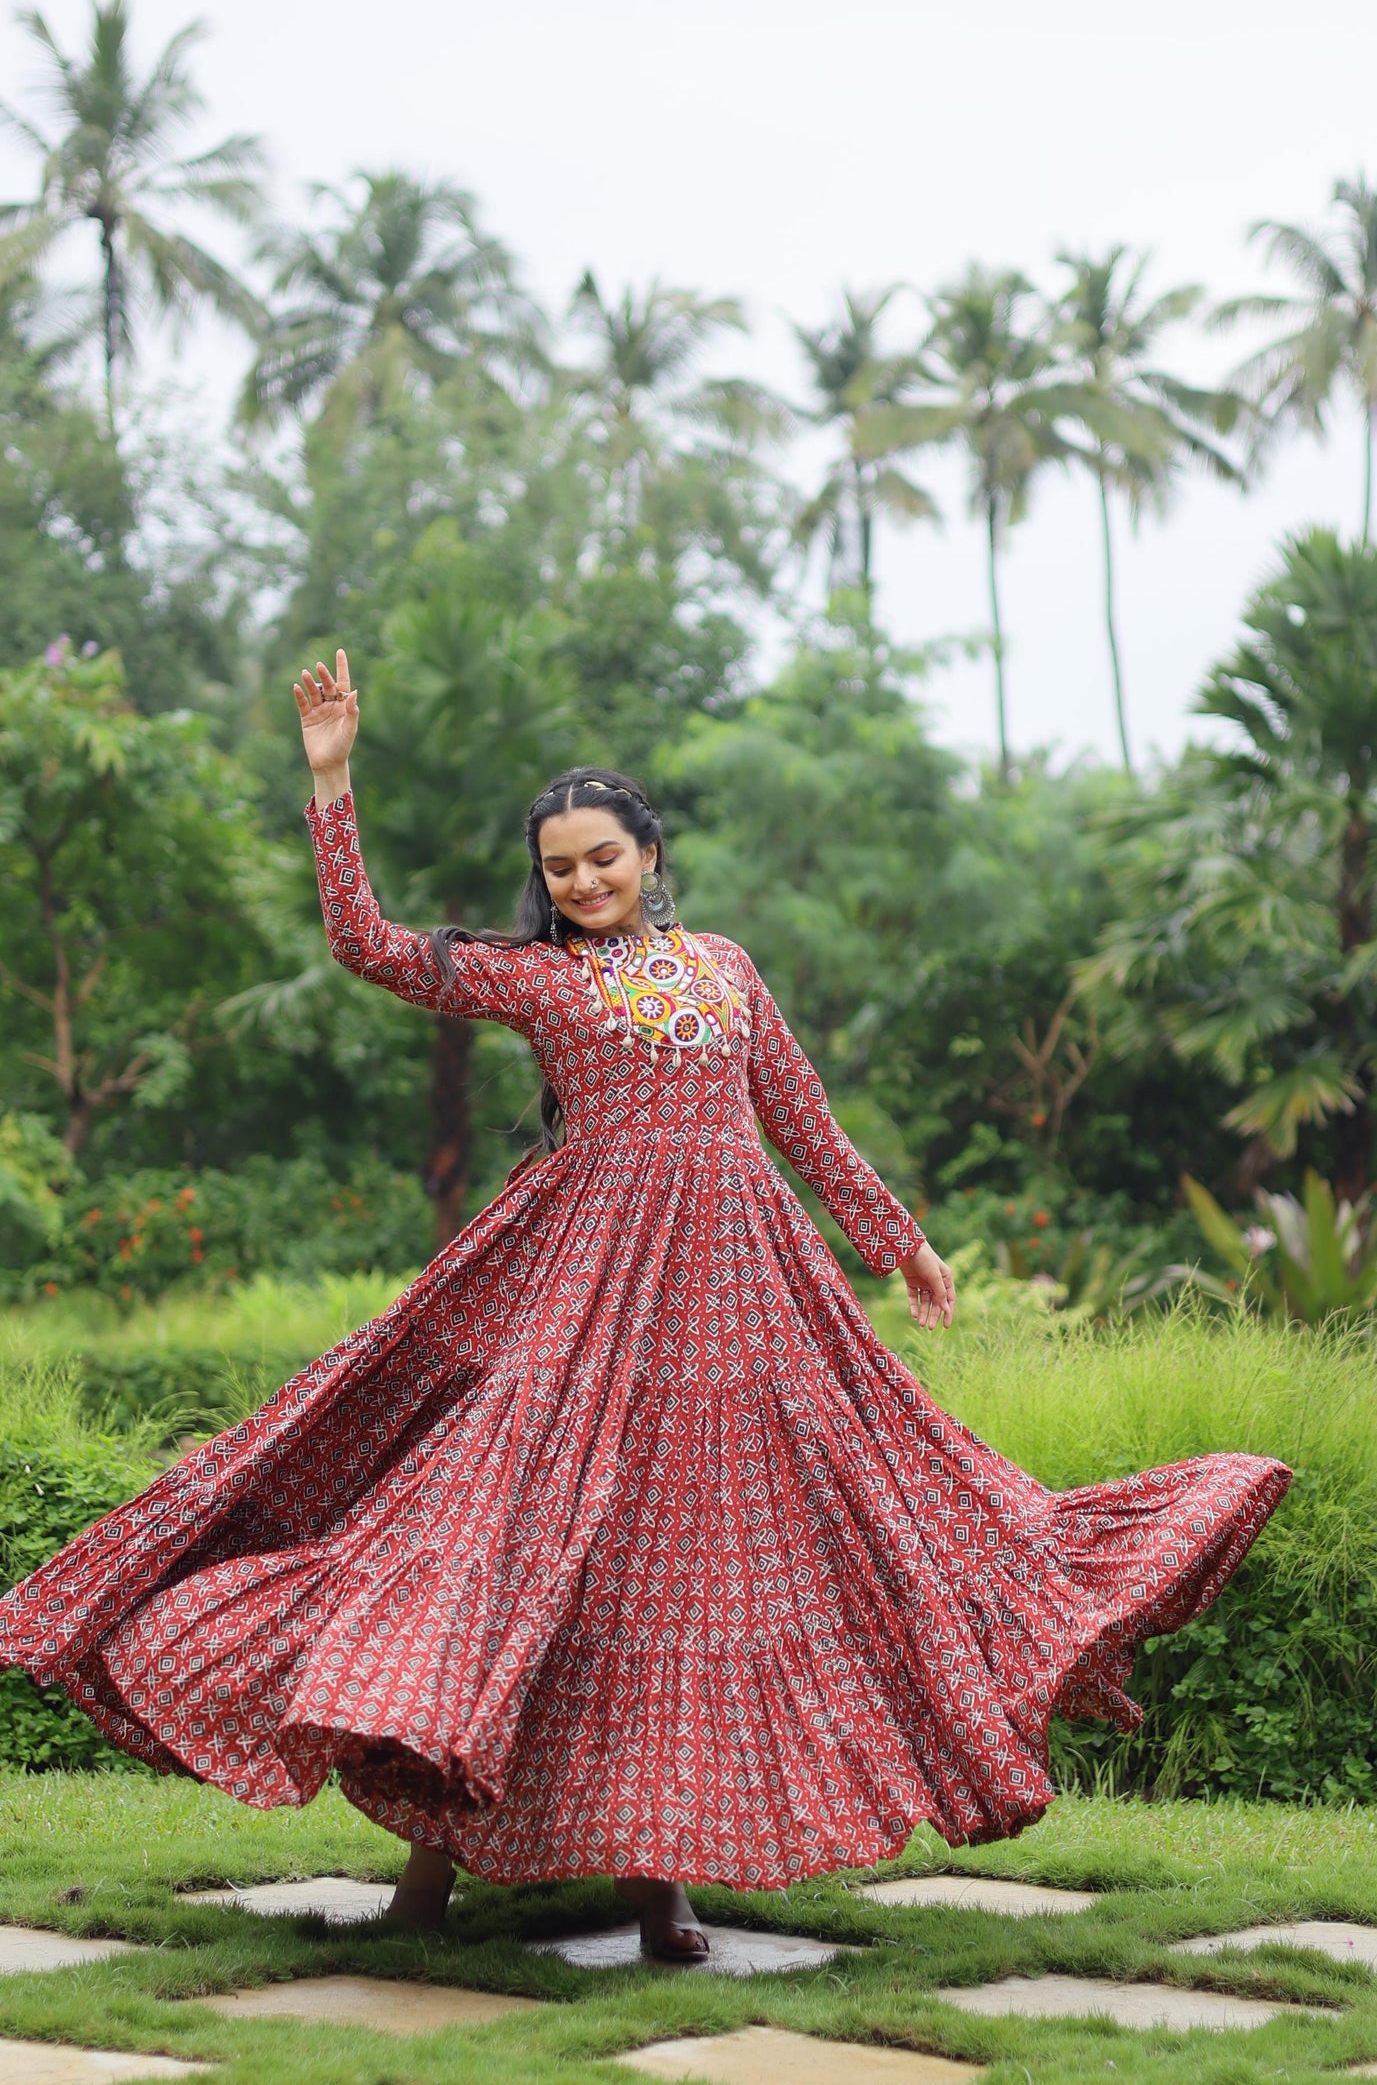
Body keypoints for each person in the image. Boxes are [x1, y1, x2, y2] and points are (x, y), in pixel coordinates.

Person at [0, 649, 1290, 1962]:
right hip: (586, 1306)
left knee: (695, 1587)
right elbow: (366, 947)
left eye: (602, 857)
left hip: (740, 1311)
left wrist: (900, 1246)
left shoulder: (725, 967)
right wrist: (331, 780)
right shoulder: (540, 980)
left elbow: (800, 1118)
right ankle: (424, 1892)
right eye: (559, 866)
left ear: (650, 853)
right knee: (508, 1562)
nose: (582, 881)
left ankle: (661, 1893)